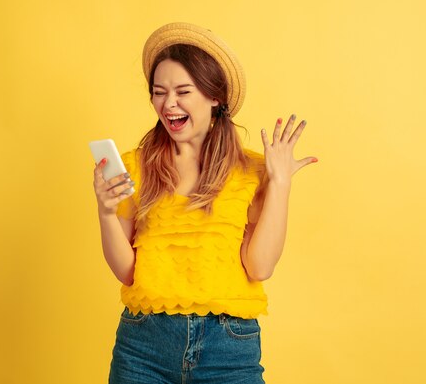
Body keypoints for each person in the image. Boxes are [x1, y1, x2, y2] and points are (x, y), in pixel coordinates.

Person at [93, 22, 317, 384]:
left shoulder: (251, 171)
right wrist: (105, 210)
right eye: (159, 92)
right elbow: (127, 272)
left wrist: (280, 183)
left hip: (228, 347)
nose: (169, 104)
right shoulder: (134, 166)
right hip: (142, 346)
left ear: (215, 97)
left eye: (183, 91)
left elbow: (259, 267)